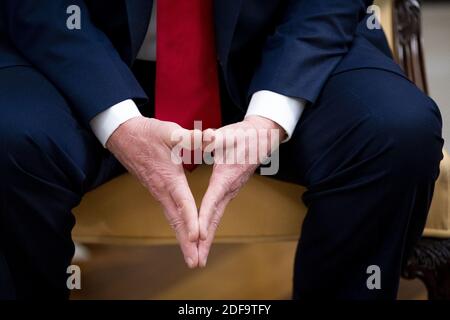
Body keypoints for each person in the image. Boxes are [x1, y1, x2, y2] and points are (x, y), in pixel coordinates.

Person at [0, 0, 443, 299]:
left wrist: (269, 117)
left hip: (283, 46)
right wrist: (118, 122)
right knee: (11, 137)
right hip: (83, 49)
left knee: (395, 132)